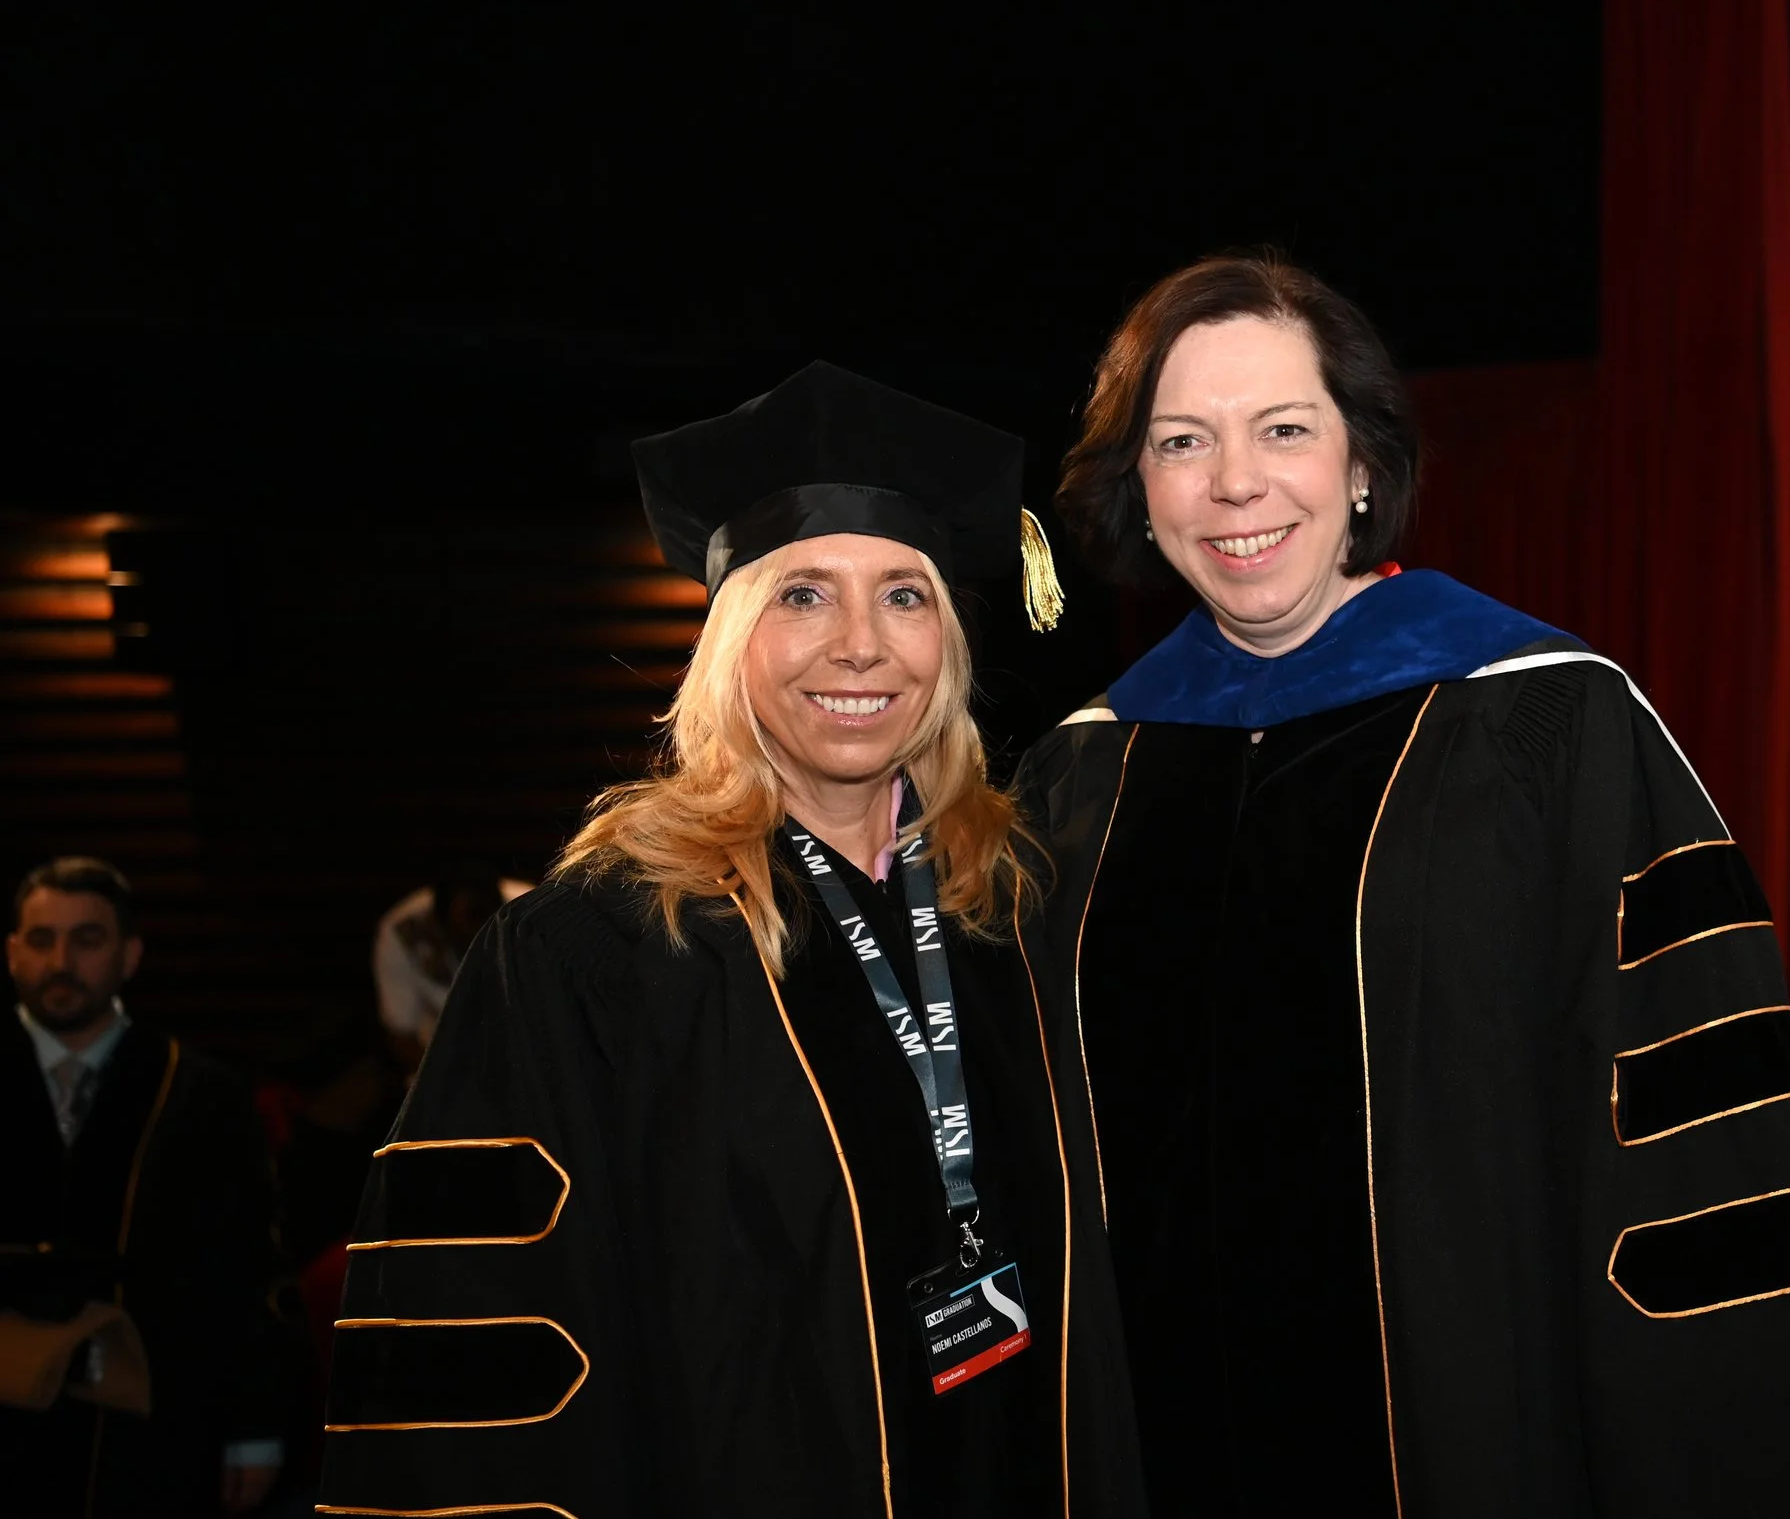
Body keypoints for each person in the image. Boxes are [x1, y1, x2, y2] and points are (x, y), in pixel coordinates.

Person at [1020, 255, 1790, 1517]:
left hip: (1475, 1430)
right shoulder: (1081, 775)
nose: (1234, 482)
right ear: (1142, 486)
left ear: (1359, 466)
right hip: (1161, 1441)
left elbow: (1694, 1144)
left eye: (1284, 429)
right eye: (1182, 442)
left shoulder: (1548, 726)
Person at [319, 362, 1144, 1519]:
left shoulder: (1018, 910)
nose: (859, 646)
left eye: (904, 595)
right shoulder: (591, 952)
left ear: (949, 646)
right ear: (729, 643)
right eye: (803, 594)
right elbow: (487, 1365)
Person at [1, 856, 291, 1518]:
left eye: (88, 938)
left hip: (154, 1421)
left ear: (129, 955)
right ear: (12, 951)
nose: (61, 960)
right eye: (42, 939)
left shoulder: (198, 1091)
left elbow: (249, 1266)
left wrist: (253, 1429)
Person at [370, 861, 532, 1073]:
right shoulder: (403, 934)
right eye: (464, 941)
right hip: (442, 1070)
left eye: (484, 934)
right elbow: (401, 1035)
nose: (473, 947)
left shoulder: (533, 920)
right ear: (438, 925)